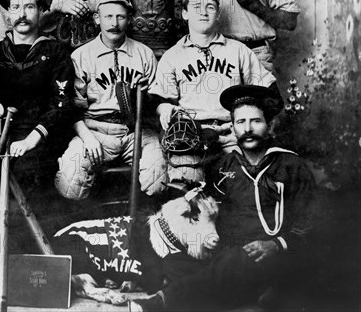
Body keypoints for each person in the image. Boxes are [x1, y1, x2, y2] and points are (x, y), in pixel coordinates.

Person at [131, 84, 317, 312]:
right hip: (231, 258)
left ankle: (161, 303)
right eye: (241, 122)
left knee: (237, 262)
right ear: (233, 127)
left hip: (275, 256)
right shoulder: (223, 167)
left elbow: (311, 226)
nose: (248, 129)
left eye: (256, 121)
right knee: (177, 261)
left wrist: (275, 245)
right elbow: (212, 221)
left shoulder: (292, 166)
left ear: (270, 125)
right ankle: (251, 296)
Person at [55, 0, 167, 200]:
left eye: (120, 16)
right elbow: (71, 109)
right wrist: (87, 138)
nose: (114, 23)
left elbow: (157, 103)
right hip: (95, 129)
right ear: (97, 19)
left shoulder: (144, 54)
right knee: (70, 185)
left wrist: (148, 99)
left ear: (129, 19)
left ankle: (139, 223)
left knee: (158, 181)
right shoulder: (81, 55)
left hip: (135, 131)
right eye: (108, 16)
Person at [149, 0, 280, 152]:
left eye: (210, 7)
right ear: (185, 13)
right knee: (185, 176)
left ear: (218, 14)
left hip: (233, 135)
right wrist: (164, 108)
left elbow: (271, 94)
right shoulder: (172, 56)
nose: (203, 12)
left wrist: (248, 124)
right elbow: (160, 100)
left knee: (245, 174)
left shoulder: (238, 50)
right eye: (196, 7)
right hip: (192, 135)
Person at [0, 0, 75, 187]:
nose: (22, 14)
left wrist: (31, 140)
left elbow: (61, 104)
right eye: (15, 7)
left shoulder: (56, 52)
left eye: (29, 7)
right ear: (8, 13)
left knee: (28, 173)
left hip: (40, 137)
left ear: (40, 11)